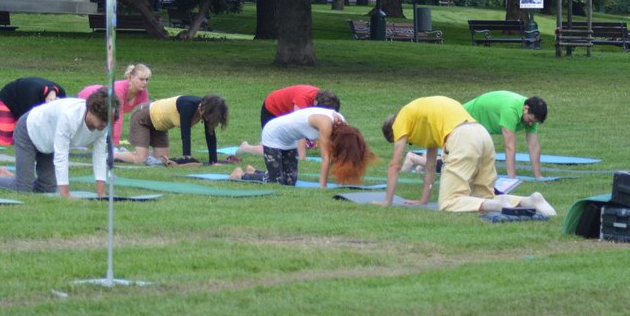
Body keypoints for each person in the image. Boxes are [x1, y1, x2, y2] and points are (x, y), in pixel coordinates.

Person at [375, 96, 556, 216]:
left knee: (448, 202)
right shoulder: (424, 118)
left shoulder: (401, 120)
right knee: (483, 194)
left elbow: (395, 165)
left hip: (462, 138)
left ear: (393, 131)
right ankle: (530, 201)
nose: (406, 142)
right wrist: (423, 200)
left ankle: (499, 204)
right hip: (482, 135)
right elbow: (430, 166)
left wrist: (387, 201)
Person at [0, 89, 119, 197]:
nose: (104, 125)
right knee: (23, 188)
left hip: (48, 143)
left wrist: (101, 193)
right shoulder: (69, 116)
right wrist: (66, 195)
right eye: (103, 120)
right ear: (91, 111)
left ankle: (9, 176)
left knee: (47, 189)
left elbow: (99, 157)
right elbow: (61, 156)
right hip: (28, 131)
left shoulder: (103, 124)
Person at [229, 106, 374, 187]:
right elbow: (325, 159)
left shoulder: (343, 124)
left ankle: (256, 171)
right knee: (276, 182)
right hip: (273, 134)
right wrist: (322, 187)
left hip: (290, 140)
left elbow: (346, 149)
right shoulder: (326, 125)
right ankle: (241, 175)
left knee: (290, 181)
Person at [117, 95, 228, 165]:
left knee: (161, 159)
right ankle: (114, 154)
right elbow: (185, 134)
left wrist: (213, 161)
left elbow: (210, 134)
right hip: (143, 117)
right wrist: (187, 158)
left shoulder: (206, 111)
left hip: (159, 126)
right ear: (203, 107)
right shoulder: (187, 105)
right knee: (140, 159)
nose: (208, 119)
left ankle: (126, 153)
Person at [236, 85, 341, 158]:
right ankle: (246, 148)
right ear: (316, 103)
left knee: (287, 148)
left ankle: (262, 144)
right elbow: (299, 128)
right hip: (272, 110)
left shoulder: (321, 97)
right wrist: (302, 156)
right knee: (279, 151)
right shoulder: (303, 99)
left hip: (285, 114)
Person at [462, 91, 547, 179]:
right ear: (525, 109)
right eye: (530, 120)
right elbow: (509, 146)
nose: (530, 124)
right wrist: (512, 177)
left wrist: (539, 177)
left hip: (485, 122)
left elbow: (533, 145)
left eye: (533, 122)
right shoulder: (510, 110)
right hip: (468, 115)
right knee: (467, 153)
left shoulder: (533, 115)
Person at [0, 77, 66, 146]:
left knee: (20, 140)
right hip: (7, 101)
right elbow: (29, 124)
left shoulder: (61, 94)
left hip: (23, 103)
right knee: (6, 141)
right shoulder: (32, 95)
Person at [77, 63, 151, 147]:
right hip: (87, 95)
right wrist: (114, 142)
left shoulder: (143, 92)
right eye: (141, 79)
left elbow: (144, 116)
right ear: (131, 78)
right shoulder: (119, 88)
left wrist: (145, 138)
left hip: (101, 102)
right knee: (86, 123)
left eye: (147, 79)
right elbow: (117, 117)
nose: (145, 82)